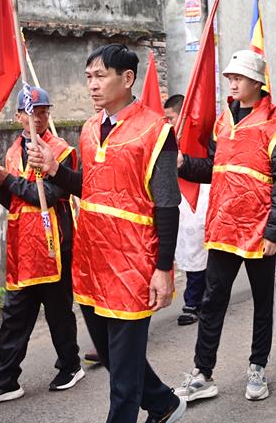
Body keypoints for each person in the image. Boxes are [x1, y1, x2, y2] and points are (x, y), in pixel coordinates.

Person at [27, 44, 185, 423]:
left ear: (127, 78)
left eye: (100, 76)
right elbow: (90, 187)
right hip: (92, 257)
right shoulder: (89, 129)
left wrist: (163, 268)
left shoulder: (156, 131)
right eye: (88, 77)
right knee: (112, 354)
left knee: (123, 379)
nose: (92, 85)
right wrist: (55, 169)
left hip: (134, 261)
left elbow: (167, 204)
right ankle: (163, 403)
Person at [175, 50, 276, 403]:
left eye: (239, 78)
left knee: (262, 302)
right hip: (223, 227)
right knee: (212, 301)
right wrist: (184, 164)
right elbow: (214, 169)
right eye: (230, 77)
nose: (232, 83)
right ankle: (202, 373)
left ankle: (257, 367)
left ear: (257, 82)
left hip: (260, 230)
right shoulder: (223, 120)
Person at [0, 86, 84, 407]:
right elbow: (15, 202)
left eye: (44, 111)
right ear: (19, 116)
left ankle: (70, 365)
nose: (39, 117)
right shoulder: (11, 152)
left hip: (53, 245)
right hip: (21, 247)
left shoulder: (60, 150)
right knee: (14, 316)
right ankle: (5, 380)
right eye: (32, 112)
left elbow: (47, 195)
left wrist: (7, 180)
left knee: (58, 312)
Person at [165, 94, 209, 327]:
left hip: (199, 195)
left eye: (171, 118)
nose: (168, 123)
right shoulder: (168, 138)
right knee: (189, 250)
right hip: (178, 198)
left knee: (197, 249)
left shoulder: (199, 135)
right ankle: (199, 298)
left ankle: (193, 302)